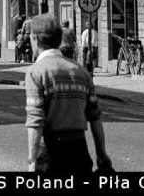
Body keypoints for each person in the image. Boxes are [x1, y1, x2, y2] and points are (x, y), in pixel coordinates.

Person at [25, 14, 112, 174]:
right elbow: (95, 117)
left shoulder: (36, 72)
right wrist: (102, 155)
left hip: (50, 152)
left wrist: (32, 160)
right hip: (79, 151)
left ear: (35, 39)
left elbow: (35, 120)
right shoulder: (81, 71)